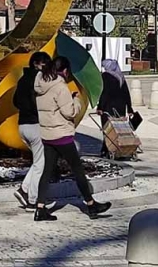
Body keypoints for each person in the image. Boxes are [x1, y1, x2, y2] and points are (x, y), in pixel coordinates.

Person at [34, 55, 112, 222]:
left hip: (47, 134)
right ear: (65, 70)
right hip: (61, 135)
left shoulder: (40, 84)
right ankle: (91, 205)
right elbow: (69, 112)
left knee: (47, 171)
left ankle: (40, 208)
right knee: (77, 170)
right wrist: (76, 100)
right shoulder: (60, 87)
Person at [12, 51, 50, 211]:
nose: (47, 67)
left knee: (38, 162)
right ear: (36, 64)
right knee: (41, 164)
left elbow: (15, 101)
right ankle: (32, 200)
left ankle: (24, 189)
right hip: (35, 125)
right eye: (45, 64)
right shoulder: (38, 79)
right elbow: (38, 102)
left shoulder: (22, 79)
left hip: (23, 126)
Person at [96, 59, 134, 157]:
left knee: (107, 129)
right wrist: (129, 109)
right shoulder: (120, 76)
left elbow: (104, 93)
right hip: (120, 108)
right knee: (119, 129)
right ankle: (119, 147)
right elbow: (126, 93)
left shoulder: (106, 76)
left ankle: (107, 148)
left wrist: (100, 107)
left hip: (108, 107)